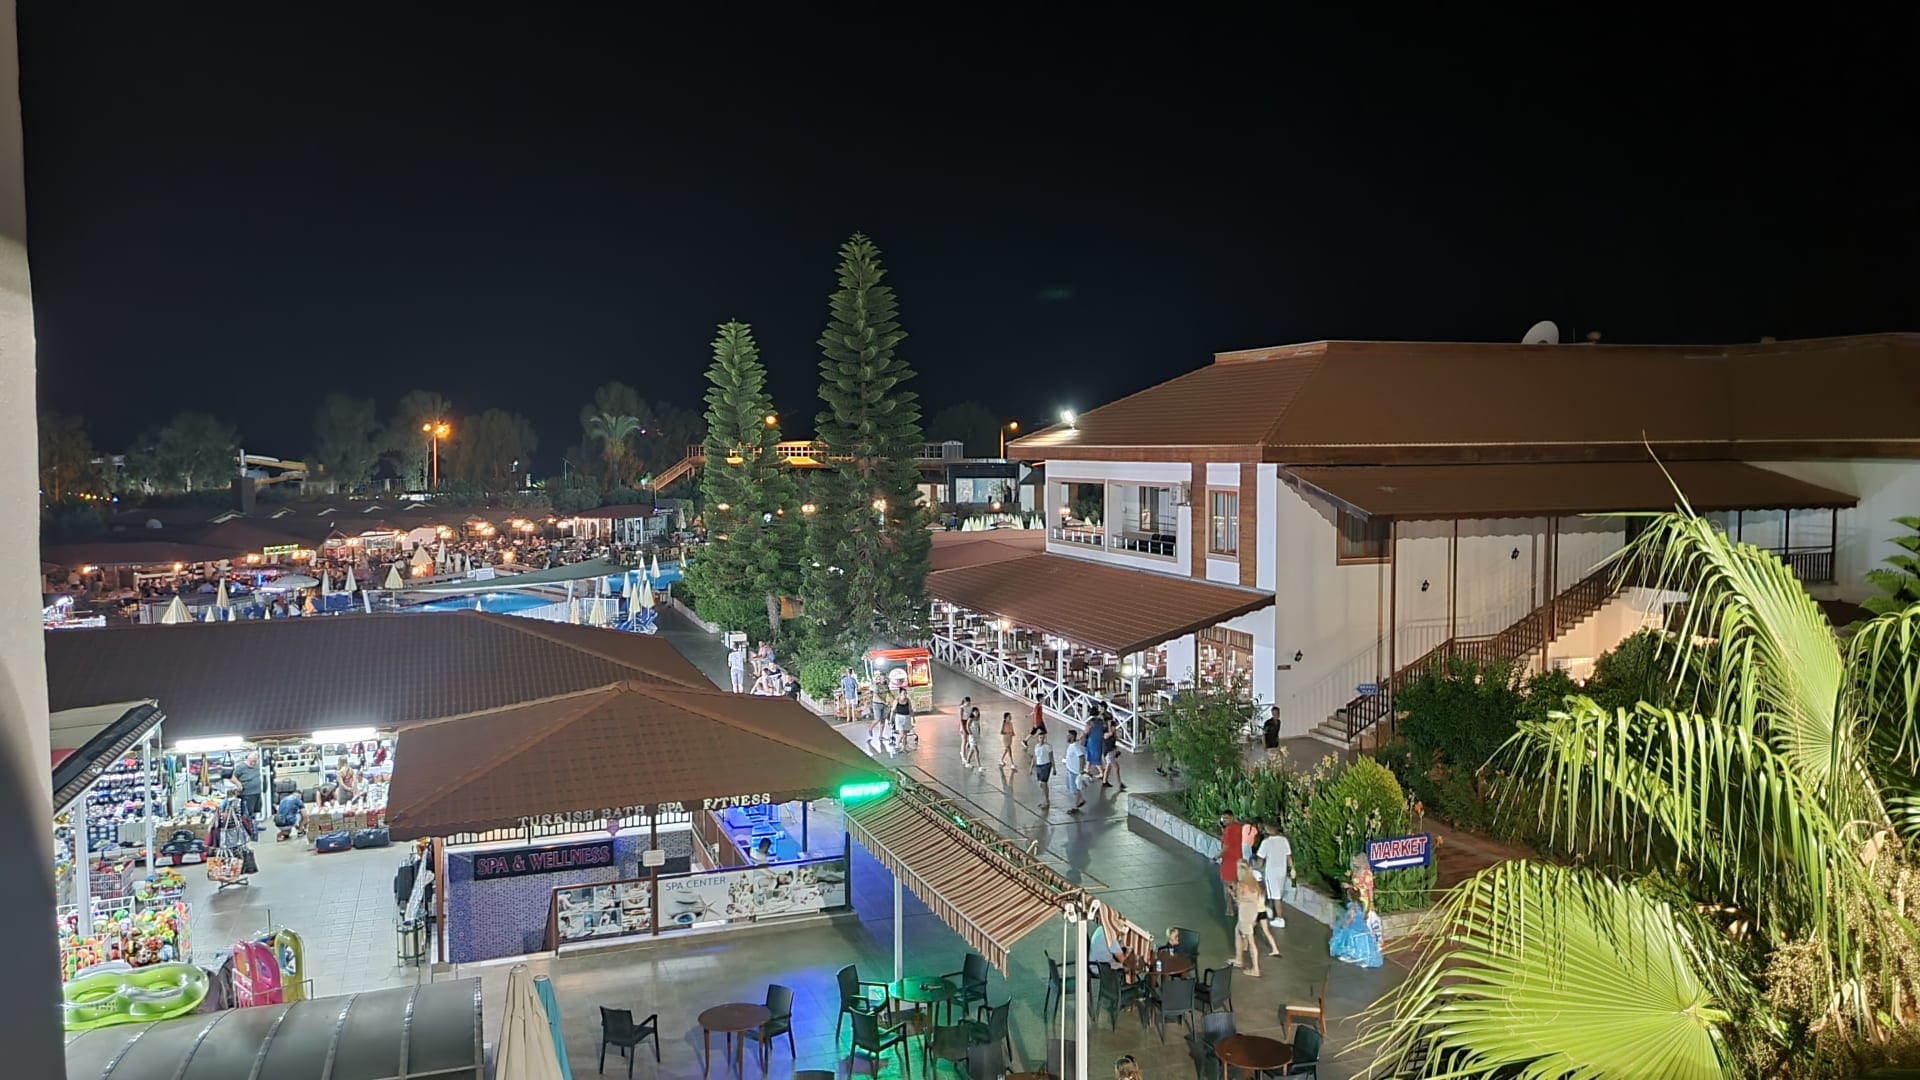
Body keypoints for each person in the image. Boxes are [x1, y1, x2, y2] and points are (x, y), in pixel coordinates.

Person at [1253, 821, 1293, 952]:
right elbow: (1289, 856)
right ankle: (1273, 913)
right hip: (1282, 871)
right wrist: (1292, 869)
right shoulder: (1284, 840)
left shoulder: (1266, 843)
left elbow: (1260, 860)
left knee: (1275, 895)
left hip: (1272, 872)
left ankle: (1280, 918)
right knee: (1277, 893)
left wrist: (1256, 867)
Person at [1229, 862, 1265, 976]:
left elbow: (1238, 901)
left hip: (1244, 914)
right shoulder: (1254, 883)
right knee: (1238, 932)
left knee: (1250, 940)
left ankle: (1255, 969)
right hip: (1253, 912)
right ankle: (1238, 959)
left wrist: (1232, 893)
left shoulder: (1241, 885)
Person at [1330, 898, 1384, 968]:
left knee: (1347, 935)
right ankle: (1366, 960)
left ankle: (1348, 955)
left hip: (1354, 927)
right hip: (1362, 927)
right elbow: (1365, 916)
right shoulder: (1362, 904)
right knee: (1365, 945)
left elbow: (1351, 917)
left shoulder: (1352, 905)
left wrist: (1344, 925)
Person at [1217, 811, 1242, 917]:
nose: (1224, 820)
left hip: (1228, 861)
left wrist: (1215, 857)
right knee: (1237, 884)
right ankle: (1240, 907)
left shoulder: (1228, 830)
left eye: (1226, 818)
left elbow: (1225, 848)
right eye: (1223, 819)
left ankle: (1230, 908)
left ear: (1232, 817)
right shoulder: (1239, 827)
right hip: (1238, 859)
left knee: (1227, 885)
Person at [232, 753, 264, 818]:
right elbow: (232, 777)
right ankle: (247, 824)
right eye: (252, 761)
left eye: (255, 761)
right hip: (247, 794)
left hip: (257, 792)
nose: (254, 763)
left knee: (256, 810)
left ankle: (254, 823)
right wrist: (238, 784)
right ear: (248, 759)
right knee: (247, 812)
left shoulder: (256, 766)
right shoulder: (241, 767)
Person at [1062, 734, 1088, 813]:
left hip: (1074, 771)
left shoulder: (1075, 746)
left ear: (1072, 737)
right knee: (1072, 788)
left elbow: (1081, 757)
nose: (1067, 737)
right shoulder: (1071, 745)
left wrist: (1081, 770)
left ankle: (1076, 807)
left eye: (1068, 736)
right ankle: (1081, 799)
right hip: (1070, 770)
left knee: (1074, 790)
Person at [1032, 735, 1055, 809]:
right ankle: (1045, 799)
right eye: (1040, 737)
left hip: (1046, 765)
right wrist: (1031, 767)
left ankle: (1046, 800)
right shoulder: (1036, 746)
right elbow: (1035, 757)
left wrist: (1054, 768)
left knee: (1044, 783)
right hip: (1038, 766)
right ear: (1038, 738)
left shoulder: (1048, 746)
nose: (1041, 739)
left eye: (1043, 738)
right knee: (1041, 784)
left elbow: (1051, 757)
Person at [1085, 711, 1107, 782]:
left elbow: (1086, 731)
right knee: (1093, 755)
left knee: (1093, 756)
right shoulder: (1101, 721)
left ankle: (1101, 772)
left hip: (1092, 740)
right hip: (1099, 739)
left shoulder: (1090, 722)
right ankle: (1087, 769)